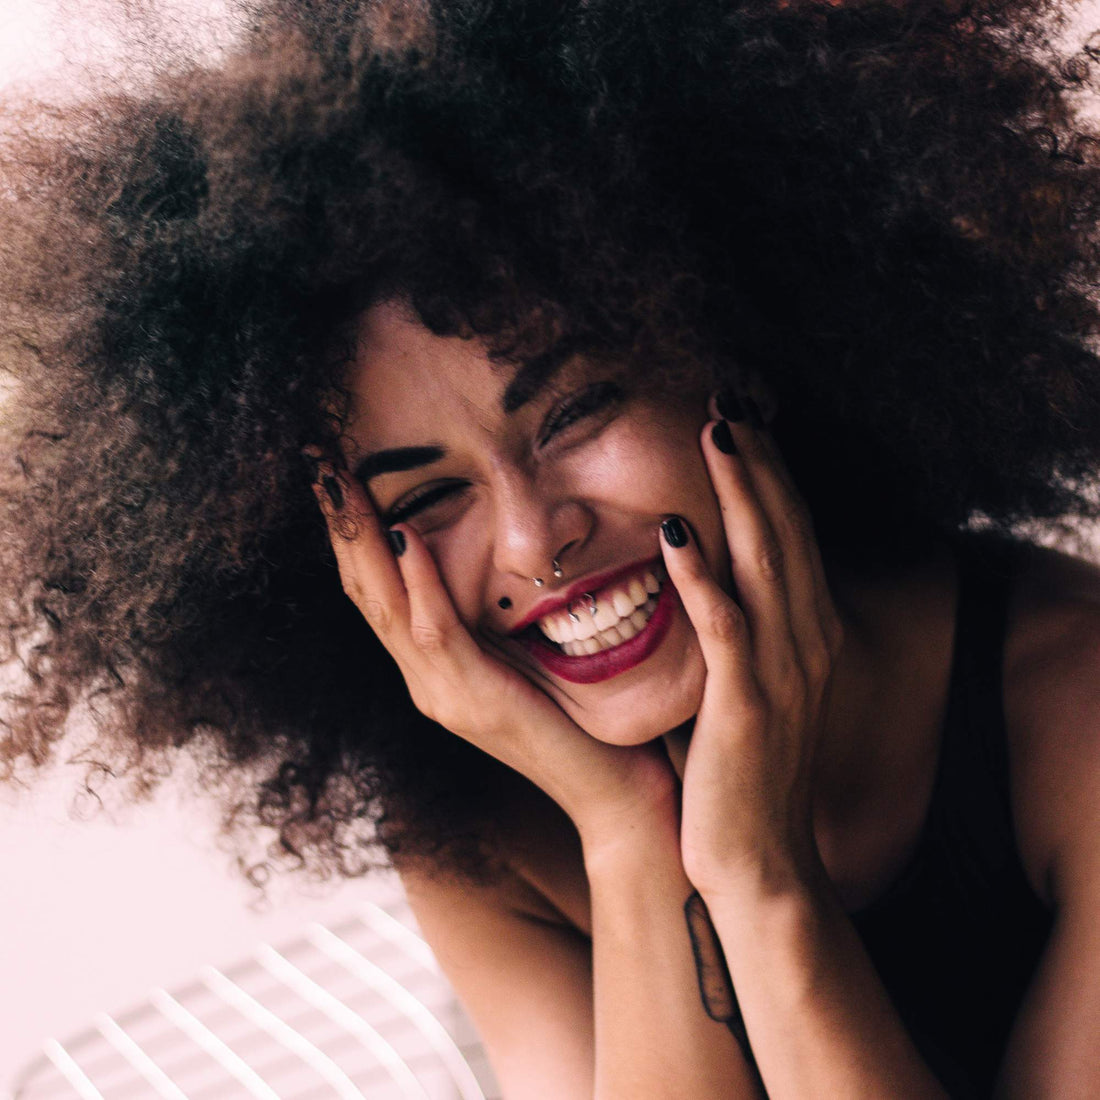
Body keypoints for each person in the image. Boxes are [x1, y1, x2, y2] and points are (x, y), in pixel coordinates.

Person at [5, 0, 1100, 1094]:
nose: (537, 542)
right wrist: (628, 835)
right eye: (430, 495)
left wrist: (760, 878)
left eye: (573, 415)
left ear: (727, 354)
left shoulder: (1073, 699)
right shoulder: (487, 841)